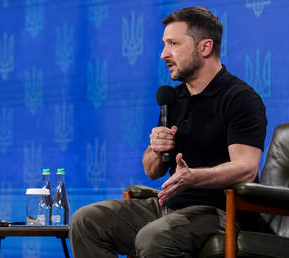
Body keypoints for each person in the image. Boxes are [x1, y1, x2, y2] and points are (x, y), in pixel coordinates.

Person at [69, 6, 267, 257]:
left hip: (220, 211)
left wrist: (193, 177)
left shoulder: (239, 98)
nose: (164, 54)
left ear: (205, 48)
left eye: (173, 43)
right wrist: (155, 148)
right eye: (164, 45)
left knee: (154, 238)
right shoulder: (173, 98)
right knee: (87, 221)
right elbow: (152, 171)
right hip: (170, 207)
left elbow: (246, 168)